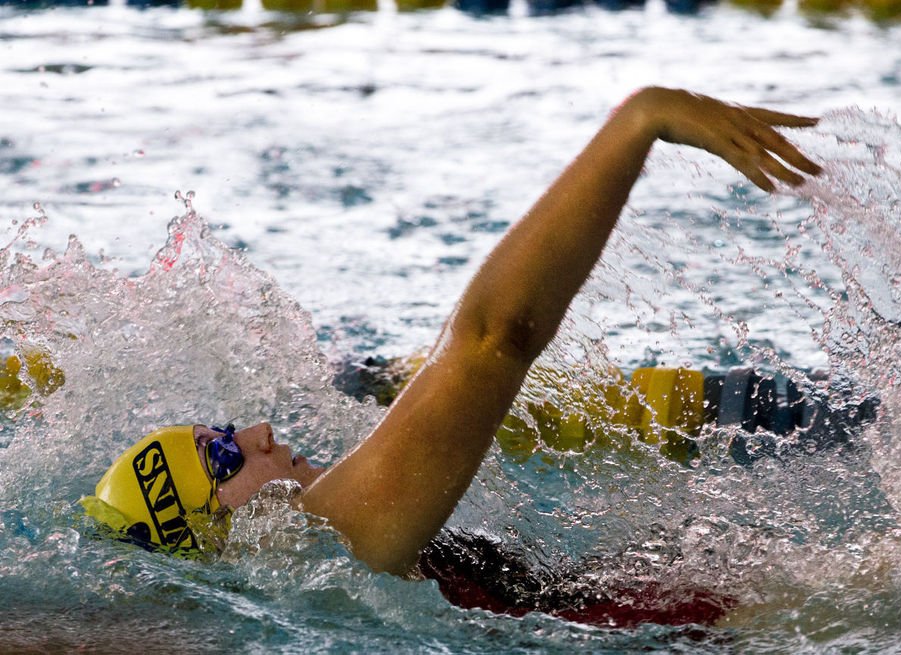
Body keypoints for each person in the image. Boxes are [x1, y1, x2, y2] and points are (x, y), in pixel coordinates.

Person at [82, 87, 825, 627]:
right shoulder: (335, 533)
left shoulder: (318, 578)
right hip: (729, 629)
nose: (256, 432)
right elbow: (493, 338)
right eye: (220, 458)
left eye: (221, 429)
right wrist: (640, 121)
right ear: (212, 534)